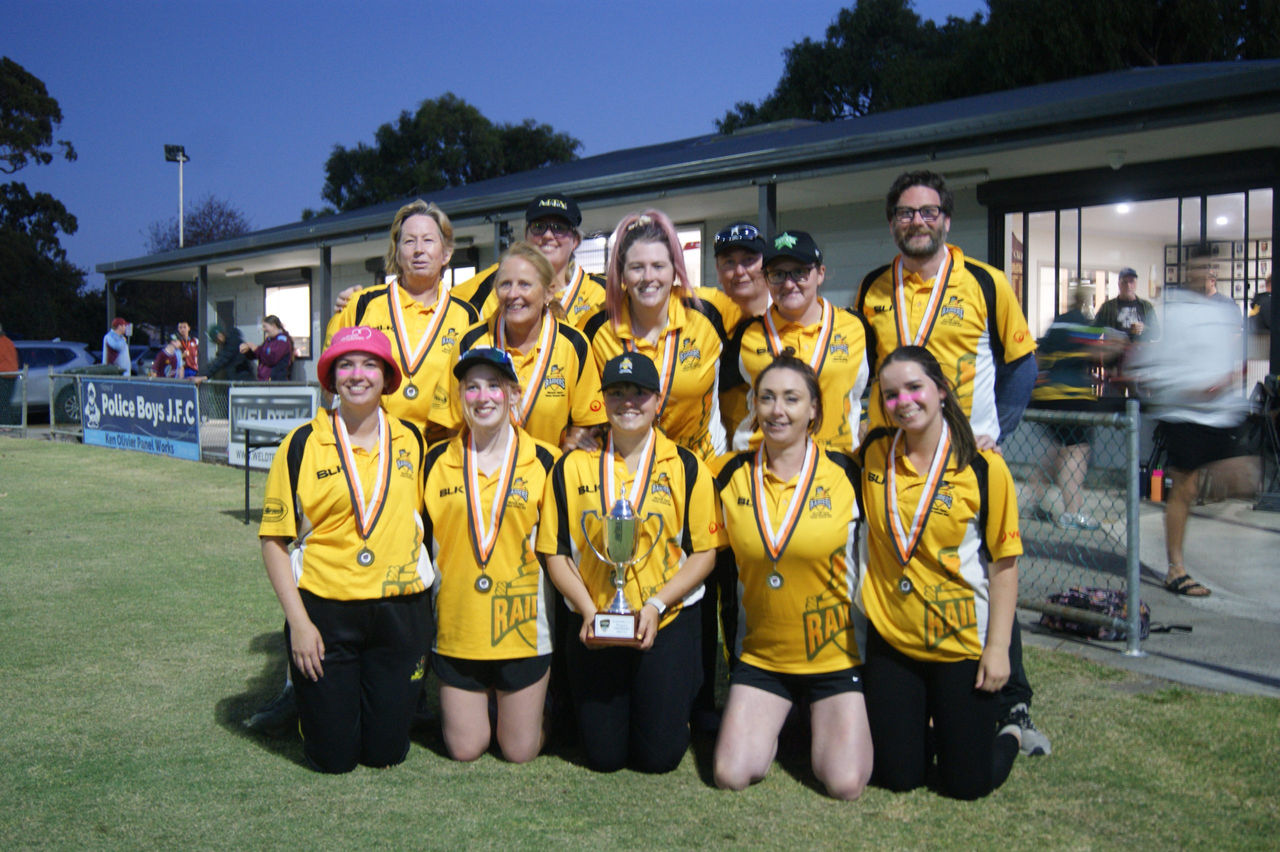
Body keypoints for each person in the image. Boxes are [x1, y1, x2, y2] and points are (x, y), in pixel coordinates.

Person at [855, 170, 1047, 757]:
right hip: (896, 456)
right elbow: (867, 369)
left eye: (929, 211)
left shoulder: (986, 284)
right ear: (893, 221)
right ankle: (911, 688)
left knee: (988, 571)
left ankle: (1012, 697)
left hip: (968, 456)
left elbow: (1022, 366)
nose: (918, 221)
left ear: (946, 219)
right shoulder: (872, 288)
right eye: (907, 213)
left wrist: (992, 434)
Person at [537, 352, 725, 773]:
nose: (628, 402)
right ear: (602, 399)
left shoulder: (687, 466)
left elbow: (704, 554)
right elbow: (555, 552)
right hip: (595, 622)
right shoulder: (571, 467)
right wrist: (587, 610)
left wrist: (657, 605)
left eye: (639, 393)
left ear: (657, 401)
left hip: (667, 619)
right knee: (603, 756)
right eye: (617, 392)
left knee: (659, 758)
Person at [258, 325, 432, 773]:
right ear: (331, 377)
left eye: (370, 364)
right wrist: (298, 623)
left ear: (387, 376)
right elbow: (274, 541)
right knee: (332, 759)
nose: (358, 374)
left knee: (385, 754)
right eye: (346, 365)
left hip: (398, 609)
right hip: (326, 610)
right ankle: (312, 712)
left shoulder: (412, 439)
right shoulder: (300, 444)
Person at [858, 346, 1021, 800]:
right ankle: (931, 726)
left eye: (915, 388)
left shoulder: (984, 468)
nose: (904, 401)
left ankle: (1010, 731)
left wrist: (998, 650)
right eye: (891, 394)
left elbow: (1004, 564)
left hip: (960, 642)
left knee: (967, 785)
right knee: (897, 776)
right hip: (894, 640)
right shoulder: (872, 454)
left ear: (942, 391)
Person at [713, 356, 873, 800]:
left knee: (844, 784)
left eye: (791, 399)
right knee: (731, 774)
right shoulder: (728, 474)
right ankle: (792, 718)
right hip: (764, 659)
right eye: (766, 398)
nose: (777, 410)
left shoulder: (848, 473)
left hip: (834, 657)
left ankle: (816, 717)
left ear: (814, 410)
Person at [423, 347, 559, 763]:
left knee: (519, 751)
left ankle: (539, 711)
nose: (483, 398)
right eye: (472, 387)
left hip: (522, 629)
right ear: (460, 396)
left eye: (494, 387)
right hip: (458, 628)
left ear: (514, 394)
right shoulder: (434, 462)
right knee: (466, 749)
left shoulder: (547, 462)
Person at [1126, 255, 1258, 597]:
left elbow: (1235, 355)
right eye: (1199, 267)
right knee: (1184, 489)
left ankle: (1186, 541)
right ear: (1189, 271)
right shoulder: (1174, 311)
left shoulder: (1224, 311)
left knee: (1245, 478)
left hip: (1220, 413)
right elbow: (1153, 360)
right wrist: (1178, 388)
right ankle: (1176, 568)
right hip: (1184, 412)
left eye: (1209, 268)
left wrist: (1229, 379)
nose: (1204, 275)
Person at [691, 221, 772, 732]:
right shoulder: (715, 312)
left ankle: (766, 689)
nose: (739, 269)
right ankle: (706, 697)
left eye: (749, 259)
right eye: (728, 261)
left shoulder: (798, 312)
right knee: (716, 584)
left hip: (789, 474)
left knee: (760, 588)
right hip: (725, 470)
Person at [325, 200, 480, 443]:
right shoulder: (361, 305)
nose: (419, 249)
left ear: (446, 253)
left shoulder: (467, 316)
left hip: (441, 450)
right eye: (409, 241)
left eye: (428, 240)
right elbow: (328, 384)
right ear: (396, 252)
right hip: (375, 445)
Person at [584, 209, 727, 462]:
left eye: (658, 266)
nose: (648, 277)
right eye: (637, 268)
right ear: (622, 273)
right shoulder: (597, 326)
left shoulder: (709, 312)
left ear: (675, 269)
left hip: (696, 467)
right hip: (623, 468)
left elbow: (761, 321)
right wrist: (575, 429)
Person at [722, 230, 871, 455]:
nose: (789, 284)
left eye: (799, 272)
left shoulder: (854, 327)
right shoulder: (749, 334)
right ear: (766, 278)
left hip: (835, 463)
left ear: (820, 273)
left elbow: (860, 392)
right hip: (763, 464)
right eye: (778, 274)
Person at [447, 241, 605, 451]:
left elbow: (587, 421)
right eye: (505, 284)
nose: (513, 294)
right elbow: (451, 424)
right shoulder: (470, 342)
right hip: (483, 476)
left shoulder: (573, 345)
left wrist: (557, 460)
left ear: (548, 293)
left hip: (547, 477)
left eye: (524, 284)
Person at [1024, 282, 1128, 530]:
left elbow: (1039, 358)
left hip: (1047, 394)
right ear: (1086, 302)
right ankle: (1071, 512)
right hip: (1072, 395)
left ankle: (1033, 500)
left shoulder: (1057, 322)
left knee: (1057, 450)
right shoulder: (1082, 322)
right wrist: (1119, 343)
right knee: (1077, 451)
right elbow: (1094, 352)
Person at [452, 193, 607, 328]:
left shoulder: (603, 292)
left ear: (576, 240)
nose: (547, 235)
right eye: (539, 227)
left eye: (559, 228)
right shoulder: (494, 279)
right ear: (526, 236)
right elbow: (444, 306)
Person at [1095, 267, 1159, 341]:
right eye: (1124, 282)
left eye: (1132, 281)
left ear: (1136, 284)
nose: (1128, 286)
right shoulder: (1107, 307)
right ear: (1119, 284)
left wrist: (1144, 329)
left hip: (1140, 351)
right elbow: (1094, 331)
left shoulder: (1146, 306)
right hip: (1115, 351)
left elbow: (1157, 334)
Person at [243, 315, 295, 382]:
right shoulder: (269, 340)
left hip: (275, 381)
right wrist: (248, 351)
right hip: (265, 380)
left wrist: (256, 349)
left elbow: (272, 358)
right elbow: (260, 354)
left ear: (273, 326)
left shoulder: (282, 341)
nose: (263, 329)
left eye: (265, 326)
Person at [0, 321, 17, 425]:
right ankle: (6, 424)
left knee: (2, 402)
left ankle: (4, 424)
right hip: (12, 375)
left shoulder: (2, 343)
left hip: (3, 374)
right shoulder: (9, 342)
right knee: (5, 402)